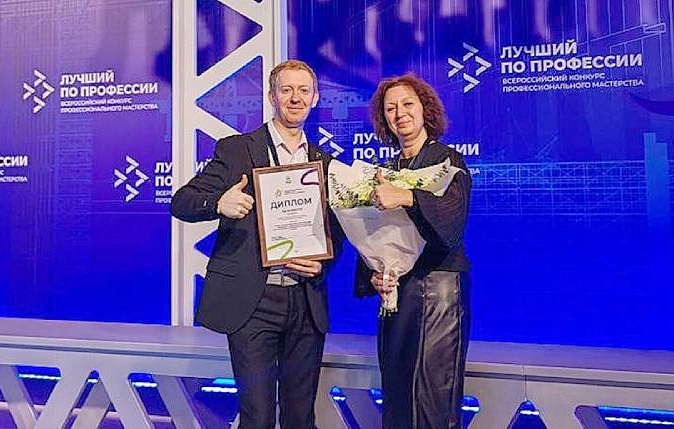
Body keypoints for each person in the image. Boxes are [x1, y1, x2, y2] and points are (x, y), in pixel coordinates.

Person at [171, 59, 334, 429]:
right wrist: (219, 203)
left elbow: (334, 234)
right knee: (257, 418)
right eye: (286, 90)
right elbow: (181, 202)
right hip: (254, 302)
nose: (295, 98)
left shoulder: (324, 163)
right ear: (272, 96)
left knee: (300, 418)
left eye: (304, 91)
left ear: (315, 98)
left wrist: (323, 262)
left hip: (305, 302)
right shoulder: (237, 150)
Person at [357, 73, 471, 429]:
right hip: (397, 295)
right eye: (390, 108)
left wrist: (406, 196)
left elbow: (452, 222)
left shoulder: (448, 161)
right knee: (397, 395)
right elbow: (371, 233)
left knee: (432, 399)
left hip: (439, 293)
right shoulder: (385, 171)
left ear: (425, 109)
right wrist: (374, 274)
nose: (399, 113)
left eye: (407, 104)